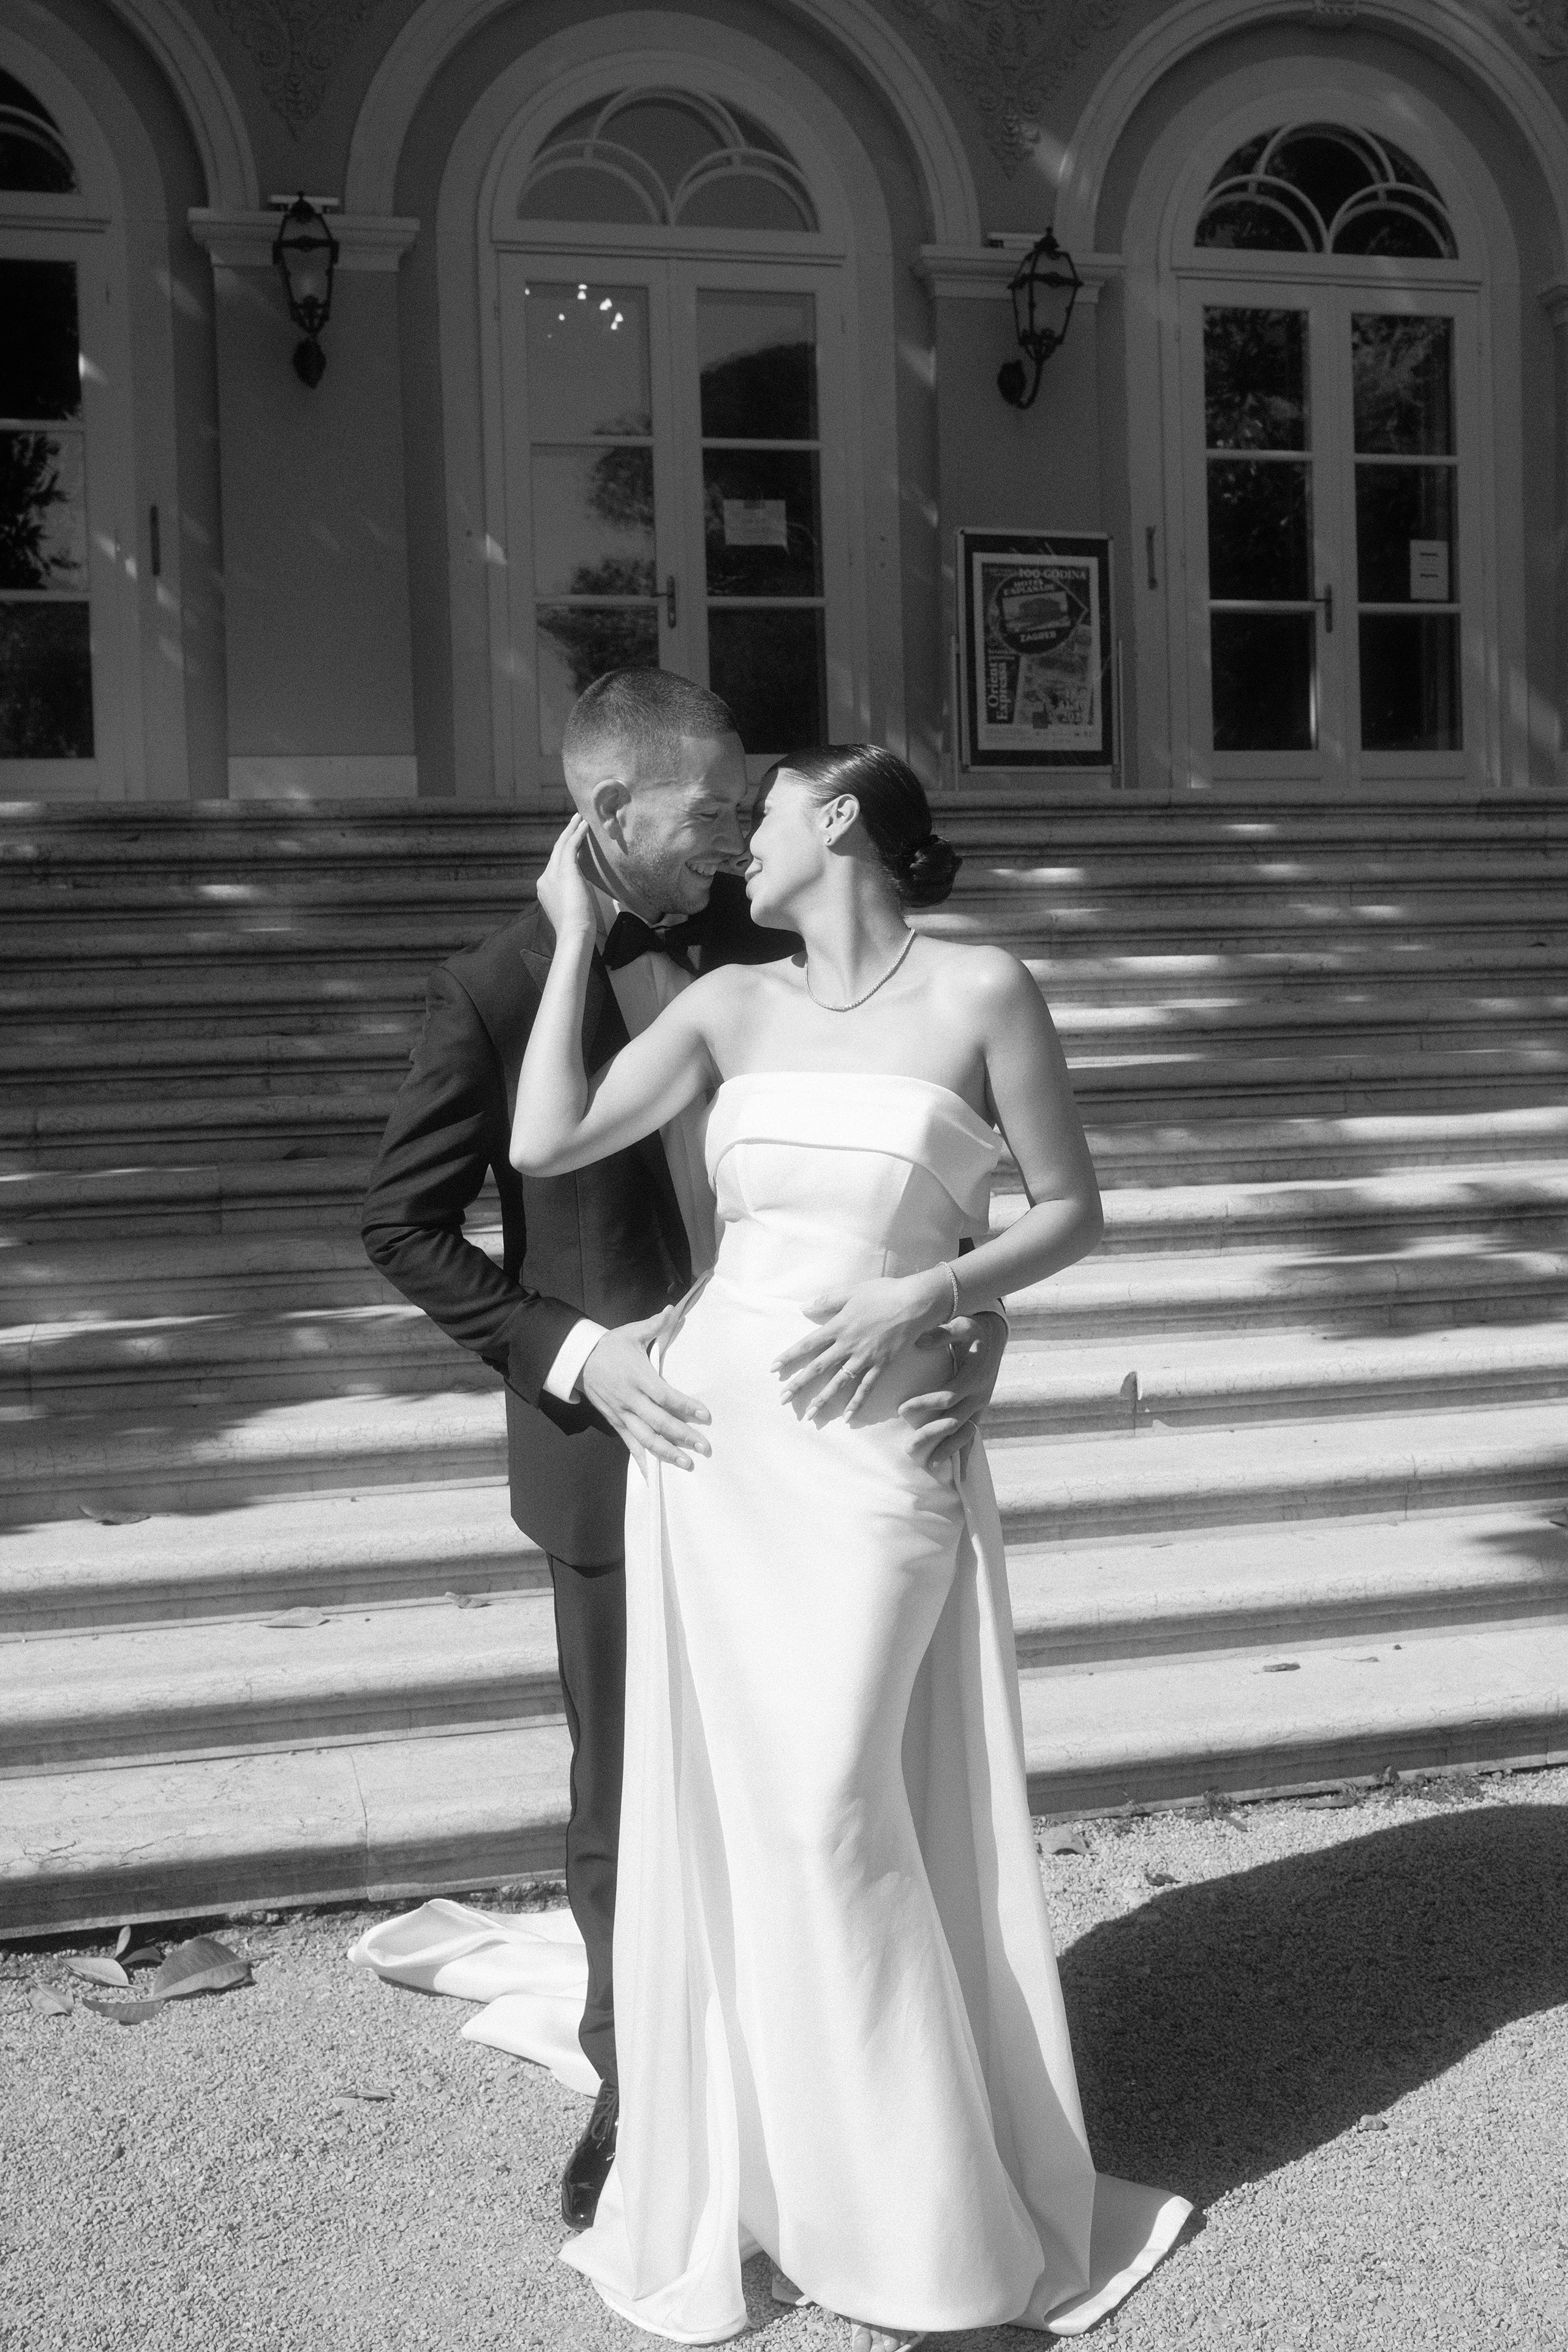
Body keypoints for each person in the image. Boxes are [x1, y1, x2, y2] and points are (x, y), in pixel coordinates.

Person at [510, 744, 1191, 2349]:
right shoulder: (727, 1007)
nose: (743, 844)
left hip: (885, 1451)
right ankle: (788, 2189)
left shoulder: (983, 989)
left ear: (849, 822)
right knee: (767, 1815)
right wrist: (561, 935)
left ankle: (914, 2220)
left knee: (831, 1803)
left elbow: (1070, 1207)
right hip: (722, 1443)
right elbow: (545, 1142)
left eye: (774, 811)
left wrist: (932, 1295)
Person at [360, 677, 1011, 2234]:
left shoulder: (778, 951)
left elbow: (924, 1174)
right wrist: (580, 1357)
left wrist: (972, 1325)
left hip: (808, 1442)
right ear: (609, 818)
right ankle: (634, 2087)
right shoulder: (495, 983)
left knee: (820, 1770)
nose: (734, 831)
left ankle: (845, 2094)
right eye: (708, 807)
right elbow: (401, 1221)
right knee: (628, 1789)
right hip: (610, 1452)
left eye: (747, 805)